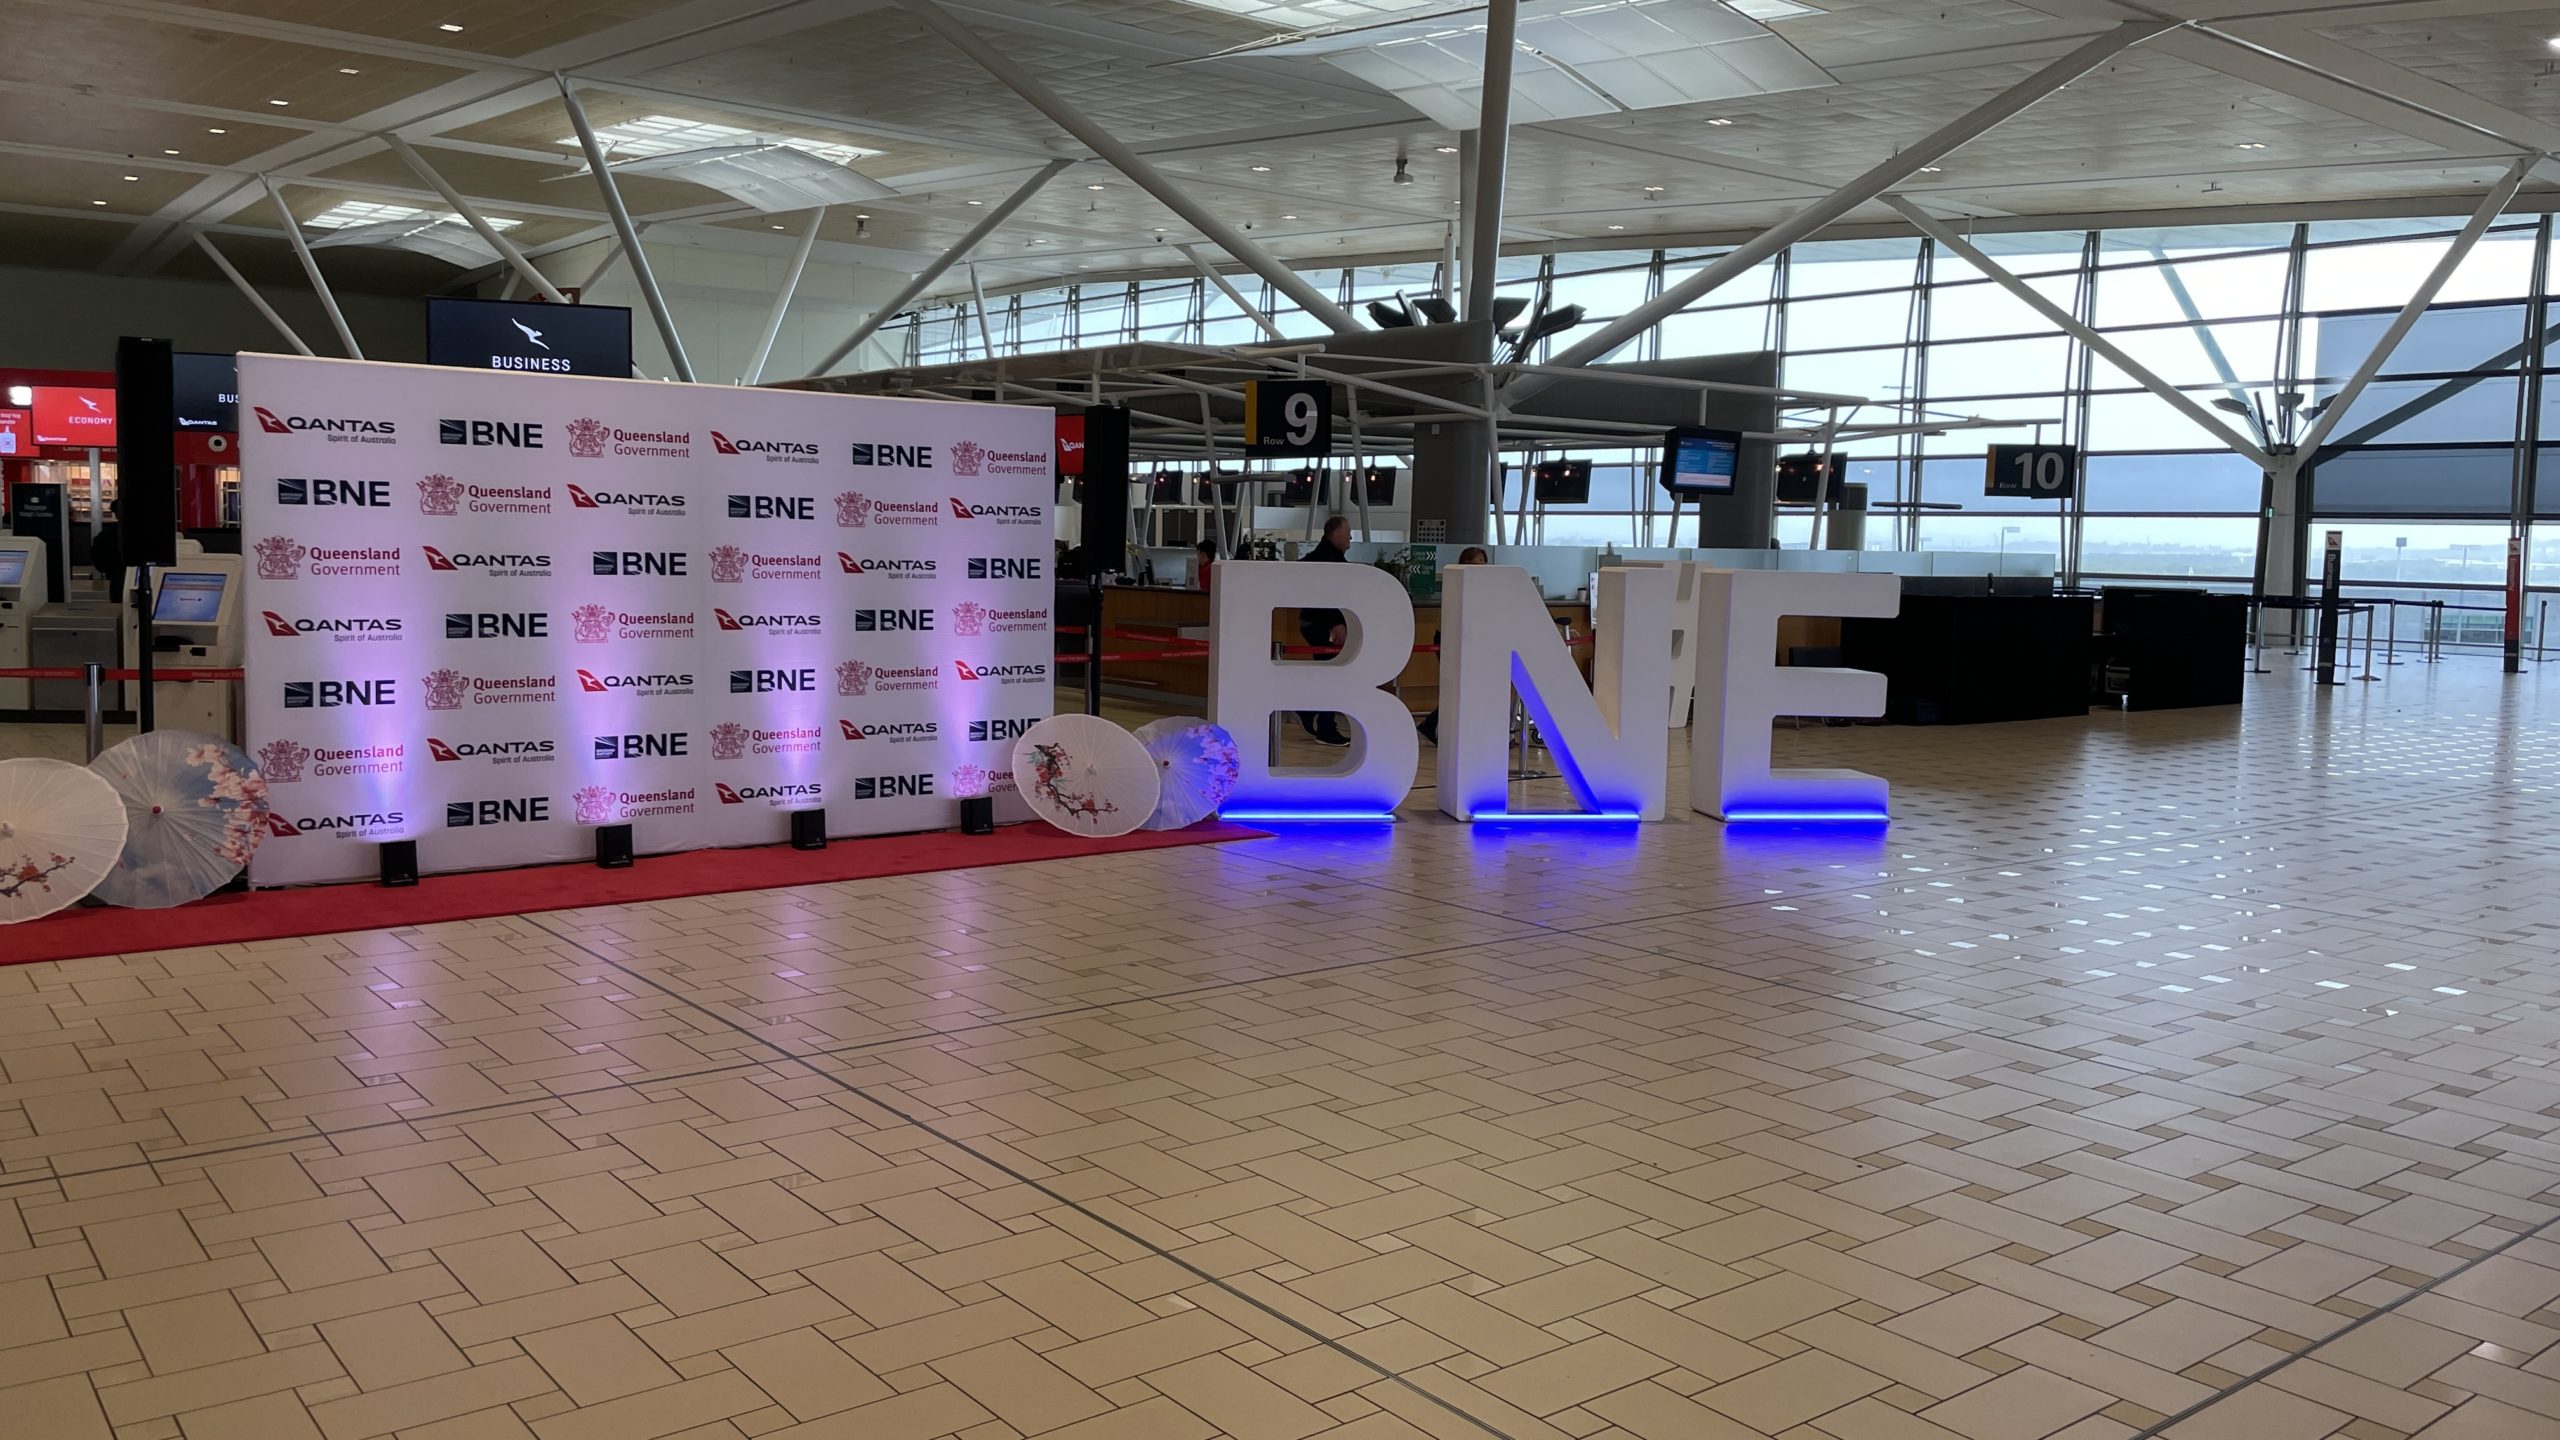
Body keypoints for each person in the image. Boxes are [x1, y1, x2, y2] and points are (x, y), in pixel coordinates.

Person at [1416, 546, 1489, 746]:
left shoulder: (1485, 587)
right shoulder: (1457, 584)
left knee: (1466, 688)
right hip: (1450, 637)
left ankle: (1434, 725)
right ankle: (1432, 725)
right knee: (1460, 688)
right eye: (1473, 563)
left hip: (1471, 639)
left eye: (1481, 562)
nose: (1478, 567)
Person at [1295, 516, 1353, 747]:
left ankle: (1310, 712)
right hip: (1322, 624)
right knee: (1333, 674)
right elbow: (1325, 596)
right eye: (1348, 533)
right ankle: (1325, 726)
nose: (1351, 537)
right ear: (1335, 535)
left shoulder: (1321, 557)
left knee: (1327, 672)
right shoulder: (1328, 560)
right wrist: (1336, 622)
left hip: (1313, 622)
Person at [88, 500, 124, 605]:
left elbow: (97, 553)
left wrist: (108, 570)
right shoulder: (143, 532)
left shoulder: (108, 533)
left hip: (117, 577)